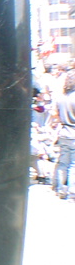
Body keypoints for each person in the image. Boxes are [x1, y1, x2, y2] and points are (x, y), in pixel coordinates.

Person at [54, 69, 75, 200]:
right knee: (73, 164)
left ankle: (61, 189)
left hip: (63, 133)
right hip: (73, 133)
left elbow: (56, 115)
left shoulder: (61, 98)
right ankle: (72, 191)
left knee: (63, 163)